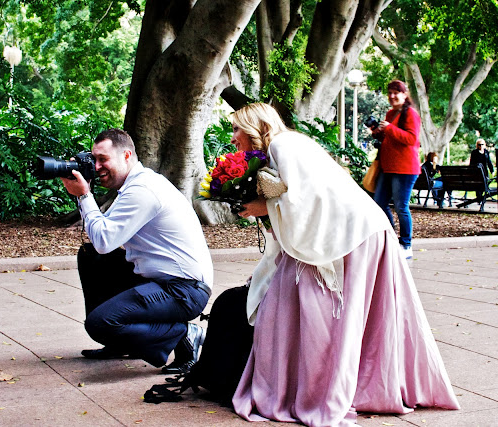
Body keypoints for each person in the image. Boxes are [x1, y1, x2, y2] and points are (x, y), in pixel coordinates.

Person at [228, 103, 460, 426]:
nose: (233, 136)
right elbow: (303, 199)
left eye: (237, 128)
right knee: (328, 311)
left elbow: (303, 199)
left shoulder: (282, 144)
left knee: (326, 314)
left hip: (355, 236)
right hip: (354, 233)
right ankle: (343, 387)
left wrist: (263, 208)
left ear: (256, 126)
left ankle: (318, 390)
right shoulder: (283, 147)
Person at [61, 128, 213, 374]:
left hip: (183, 290)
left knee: (99, 324)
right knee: (92, 257)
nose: (97, 167)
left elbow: (104, 240)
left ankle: (185, 334)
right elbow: (103, 234)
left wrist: (85, 195)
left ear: (126, 156)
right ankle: (119, 342)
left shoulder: (143, 190)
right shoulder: (134, 186)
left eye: (103, 159)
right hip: (159, 281)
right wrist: (82, 194)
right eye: (94, 159)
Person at [370, 80, 421, 259]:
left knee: (401, 206)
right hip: (387, 167)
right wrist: (378, 132)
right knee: (379, 203)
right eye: (389, 93)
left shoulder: (410, 113)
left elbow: (412, 139)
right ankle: (391, 240)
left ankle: (406, 245)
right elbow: (389, 137)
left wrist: (390, 128)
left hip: (405, 169)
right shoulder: (391, 113)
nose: (392, 96)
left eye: (396, 93)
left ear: (404, 95)